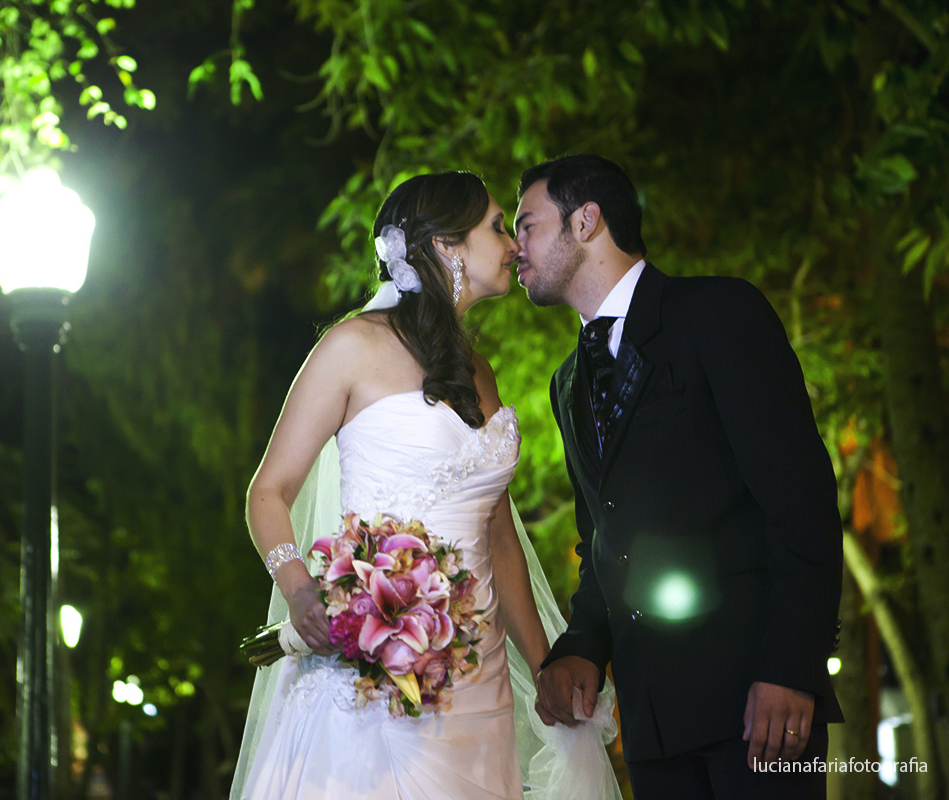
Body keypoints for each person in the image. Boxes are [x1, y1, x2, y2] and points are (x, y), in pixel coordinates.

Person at [230, 171, 621, 799]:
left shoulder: (480, 371)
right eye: (497, 227)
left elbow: (498, 537)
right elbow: (268, 491)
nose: (514, 243)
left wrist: (543, 660)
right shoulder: (352, 346)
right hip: (379, 677)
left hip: (480, 681)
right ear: (446, 245)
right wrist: (301, 591)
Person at [514, 154, 843, 799]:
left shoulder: (718, 312)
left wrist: (790, 667)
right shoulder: (567, 383)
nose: (513, 246)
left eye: (526, 224)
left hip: (758, 705)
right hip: (653, 724)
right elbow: (602, 543)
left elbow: (799, 498)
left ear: (586, 221)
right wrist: (582, 642)